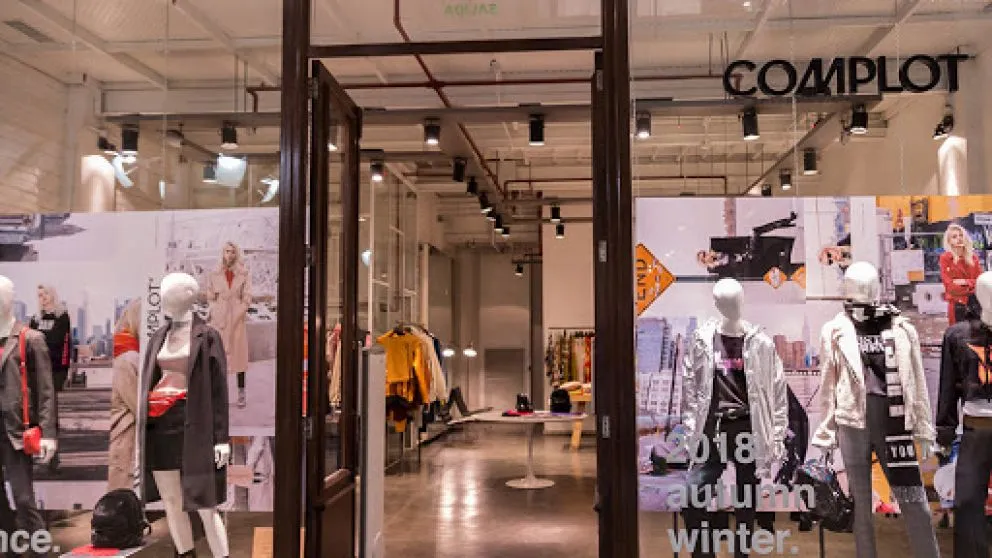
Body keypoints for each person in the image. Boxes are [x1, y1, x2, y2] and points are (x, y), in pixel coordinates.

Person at [28, 284, 70, 473]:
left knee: (50, 414)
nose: (42, 297)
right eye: (39, 295)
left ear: (52, 295)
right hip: (34, 371)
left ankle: (52, 458)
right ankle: (37, 454)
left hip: (53, 371)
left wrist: (63, 373)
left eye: (45, 294)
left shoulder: (62, 316)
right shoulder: (34, 319)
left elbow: (64, 344)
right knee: (34, 413)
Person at [205, 241, 252, 409]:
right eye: (227, 251)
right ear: (222, 253)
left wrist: (239, 312)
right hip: (219, 320)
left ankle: (241, 392)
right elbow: (210, 296)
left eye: (232, 252)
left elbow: (247, 298)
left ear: (236, 254)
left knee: (239, 358)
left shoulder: (244, 273)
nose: (230, 255)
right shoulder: (214, 273)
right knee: (218, 358)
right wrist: (215, 310)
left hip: (237, 319)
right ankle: (218, 395)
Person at [697, 211, 801, 280]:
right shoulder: (714, 270)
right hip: (748, 266)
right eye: (704, 256)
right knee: (755, 234)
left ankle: (786, 221)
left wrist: (719, 254)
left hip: (748, 254)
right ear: (704, 261)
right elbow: (734, 274)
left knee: (755, 232)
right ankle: (787, 222)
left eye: (705, 253)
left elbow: (733, 248)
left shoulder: (717, 251)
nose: (707, 254)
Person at [108, 299, 140, 491]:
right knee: (120, 497)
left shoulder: (122, 352)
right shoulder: (129, 359)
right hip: (124, 441)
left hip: (121, 441)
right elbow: (139, 407)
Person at [940, 223, 982, 325]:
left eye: (961, 235)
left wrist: (964, 282)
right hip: (957, 305)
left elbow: (980, 283)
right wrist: (972, 286)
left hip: (975, 304)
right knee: (958, 333)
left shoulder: (973, 258)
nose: (959, 239)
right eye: (954, 237)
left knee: (977, 333)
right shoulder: (945, 258)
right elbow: (950, 287)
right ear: (949, 241)